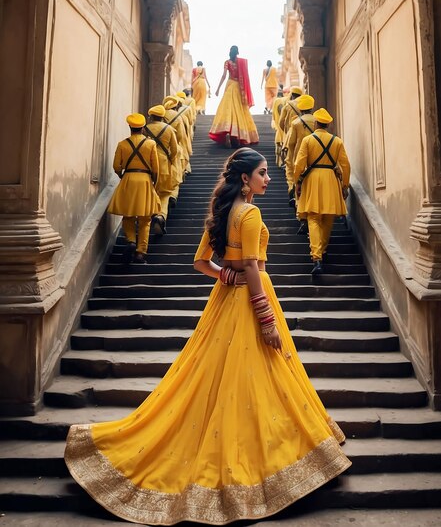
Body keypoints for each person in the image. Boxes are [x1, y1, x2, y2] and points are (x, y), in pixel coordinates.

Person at [64, 147, 351, 525]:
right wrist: (266, 318)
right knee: (255, 371)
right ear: (245, 179)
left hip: (228, 298)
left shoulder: (221, 213)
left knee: (227, 374)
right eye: (263, 173)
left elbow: (202, 263)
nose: (269, 178)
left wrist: (226, 277)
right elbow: (251, 265)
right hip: (252, 300)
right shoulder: (249, 212)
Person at [293, 108, 351, 278]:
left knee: (313, 217)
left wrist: (297, 181)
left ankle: (317, 258)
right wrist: (344, 185)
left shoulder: (307, 140)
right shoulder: (337, 141)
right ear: (327, 125)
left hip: (313, 178)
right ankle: (322, 251)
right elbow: (346, 165)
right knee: (328, 217)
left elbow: (299, 164)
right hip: (331, 179)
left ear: (317, 123)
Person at [107, 113, 161, 264]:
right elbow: (156, 168)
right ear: (143, 128)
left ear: (130, 127)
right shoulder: (150, 144)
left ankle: (131, 240)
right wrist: (153, 184)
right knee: (145, 219)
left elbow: (116, 166)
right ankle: (140, 253)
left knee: (128, 216)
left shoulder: (122, 144)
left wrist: (122, 175)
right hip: (145, 180)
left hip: (128, 179)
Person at [209, 45, 259, 148]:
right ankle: (238, 134)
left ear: (230, 52)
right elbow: (246, 78)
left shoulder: (227, 62)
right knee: (239, 110)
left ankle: (227, 131)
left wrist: (218, 88)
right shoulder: (241, 62)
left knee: (227, 109)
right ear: (237, 52)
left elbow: (224, 75)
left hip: (230, 85)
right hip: (238, 87)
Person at [284, 94, 317, 231]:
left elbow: (291, 144)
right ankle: (314, 215)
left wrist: (289, 161)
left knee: (300, 188)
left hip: (300, 160)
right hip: (316, 160)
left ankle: (303, 218)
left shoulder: (296, 123)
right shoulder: (317, 121)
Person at [144, 105, 179, 235]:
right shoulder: (169, 129)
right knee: (164, 194)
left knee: (151, 193)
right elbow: (174, 150)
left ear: (151, 116)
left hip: (148, 166)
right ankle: (160, 216)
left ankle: (148, 219)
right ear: (162, 116)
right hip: (164, 165)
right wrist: (169, 159)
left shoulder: (145, 129)